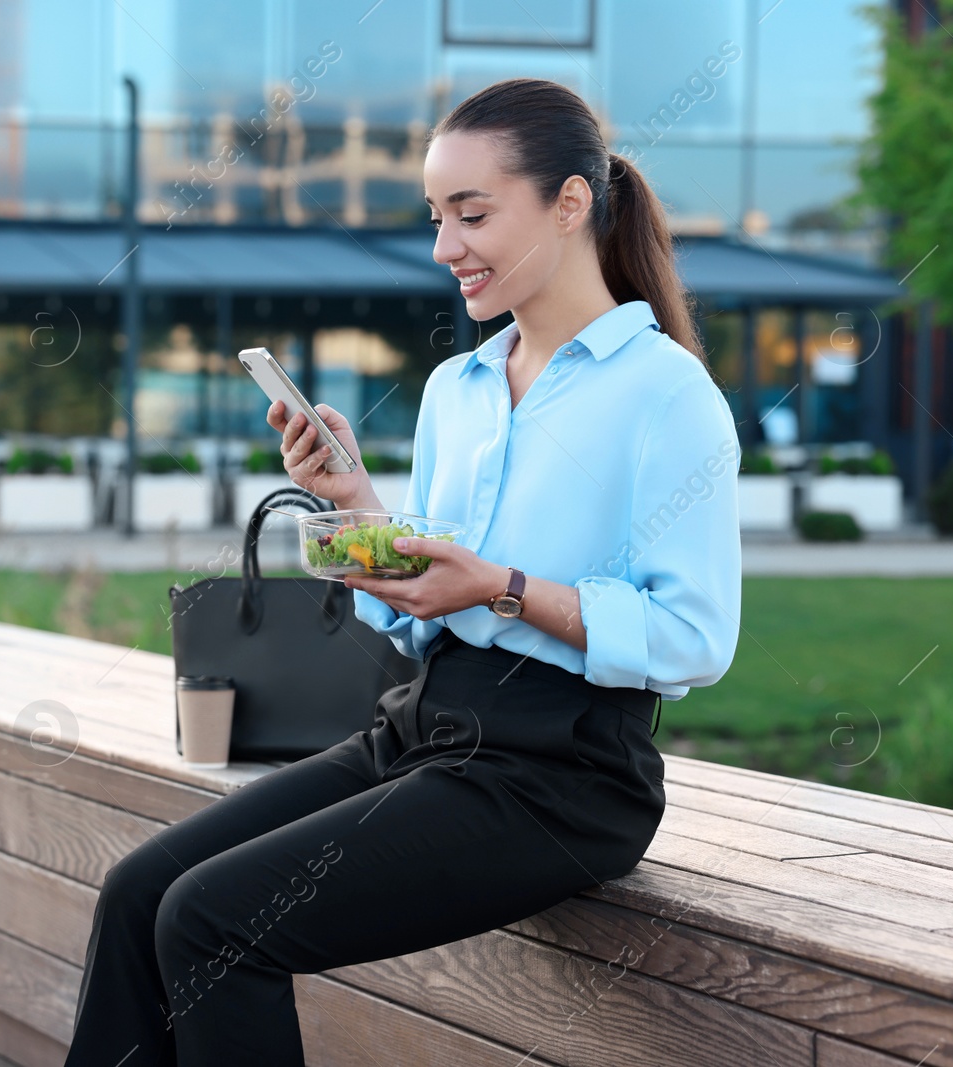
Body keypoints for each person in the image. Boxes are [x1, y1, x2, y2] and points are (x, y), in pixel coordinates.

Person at [63, 77, 741, 1066]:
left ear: (569, 203)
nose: (443, 247)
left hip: (562, 773)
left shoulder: (666, 394)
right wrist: (355, 507)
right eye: (435, 217)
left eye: (471, 214)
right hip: (425, 729)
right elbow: (424, 614)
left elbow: (693, 638)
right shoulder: (457, 388)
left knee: (211, 921)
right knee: (138, 891)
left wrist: (500, 587)